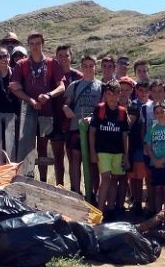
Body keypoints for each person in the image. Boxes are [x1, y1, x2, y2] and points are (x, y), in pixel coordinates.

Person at [9, 33, 66, 182]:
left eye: (38, 43)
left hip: (47, 112)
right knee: (27, 146)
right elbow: (14, 87)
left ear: (43, 44)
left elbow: (61, 86)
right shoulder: (22, 64)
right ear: (28, 45)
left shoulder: (51, 63)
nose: (35, 46)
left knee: (42, 147)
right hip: (27, 111)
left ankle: (43, 181)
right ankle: (27, 179)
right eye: (32, 43)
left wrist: (48, 95)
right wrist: (30, 100)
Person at [63, 55, 104, 195]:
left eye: (91, 65)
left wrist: (94, 119)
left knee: (94, 162)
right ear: (81, 67)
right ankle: (75, 191)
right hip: (76, 127)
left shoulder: (102, 87)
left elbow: (103, 108)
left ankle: (93, 192)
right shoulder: (74, 86)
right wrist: (65, 108)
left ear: (95, 67)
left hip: (94, 129)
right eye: (85, 66)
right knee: (75, 159)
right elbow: (67, 103)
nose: (88, 68)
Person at [88, 80, 129, 218]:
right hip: (103, 150)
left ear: (119, 95)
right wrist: (93, 152)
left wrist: (126, 155)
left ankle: (110, 208)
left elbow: (125, 136)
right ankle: (99, 211)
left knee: (115, 179)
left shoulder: (122, 112)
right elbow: (92, 132)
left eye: (114, 94)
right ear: (106, 94)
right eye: (109, 94)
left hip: (118, 151)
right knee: (105, 178)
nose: (111, 97)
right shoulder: (100, 109)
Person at [51, 45, 83, 187]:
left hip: (73, 123)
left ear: (71, 57)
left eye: (66, 55)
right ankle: (60, 186)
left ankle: (74, 189)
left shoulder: (78, 76)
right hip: (56, 121)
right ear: (56, 57)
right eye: (60, 55)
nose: (63, 58)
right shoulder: (52, 76)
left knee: (73, 158)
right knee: (58, 157)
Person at [124, 77, 149, 215]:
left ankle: (147, 202)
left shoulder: (154, 106)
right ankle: (137, 202)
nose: (143, 93)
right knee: (135, 176)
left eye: (146, 90)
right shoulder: (133, 105)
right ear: (137, 91)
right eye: (140, 90)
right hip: (135, 145)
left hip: (150, 145)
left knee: (146, 176)